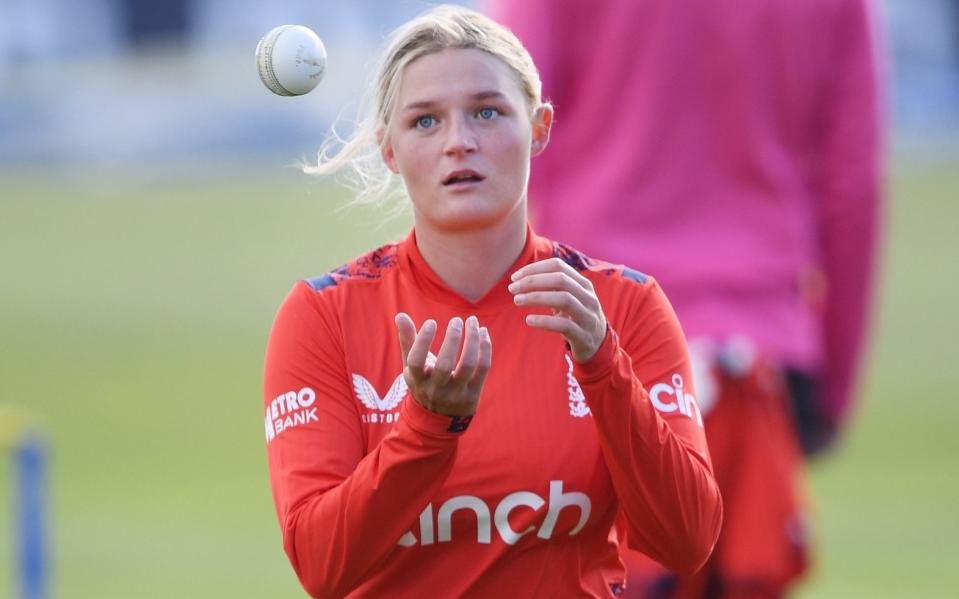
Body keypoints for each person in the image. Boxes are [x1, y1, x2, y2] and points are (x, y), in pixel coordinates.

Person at [263, 5, 723, 598]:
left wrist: (605, 367)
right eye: (425, 122)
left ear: (539, 127)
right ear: (389, 151)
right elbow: (321, 566)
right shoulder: (323, 317)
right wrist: (427, 430)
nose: (460, 142)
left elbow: (687, 541)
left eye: (487, 111)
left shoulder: (621, 306)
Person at [488, 0, 885, 597]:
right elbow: (852, 180)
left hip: (596, 345)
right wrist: (831, 387)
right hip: (760, 360)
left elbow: (494, 131)